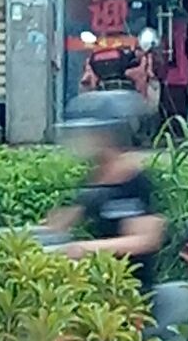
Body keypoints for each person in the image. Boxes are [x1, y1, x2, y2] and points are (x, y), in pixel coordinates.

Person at [44, 91, 166, 291]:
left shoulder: (134, 177)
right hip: (103, 281)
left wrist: (84, 249)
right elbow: (67, 219)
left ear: (110, 134)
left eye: (89, 133)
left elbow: (147, 239)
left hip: (133, 291)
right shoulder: (97, 175)